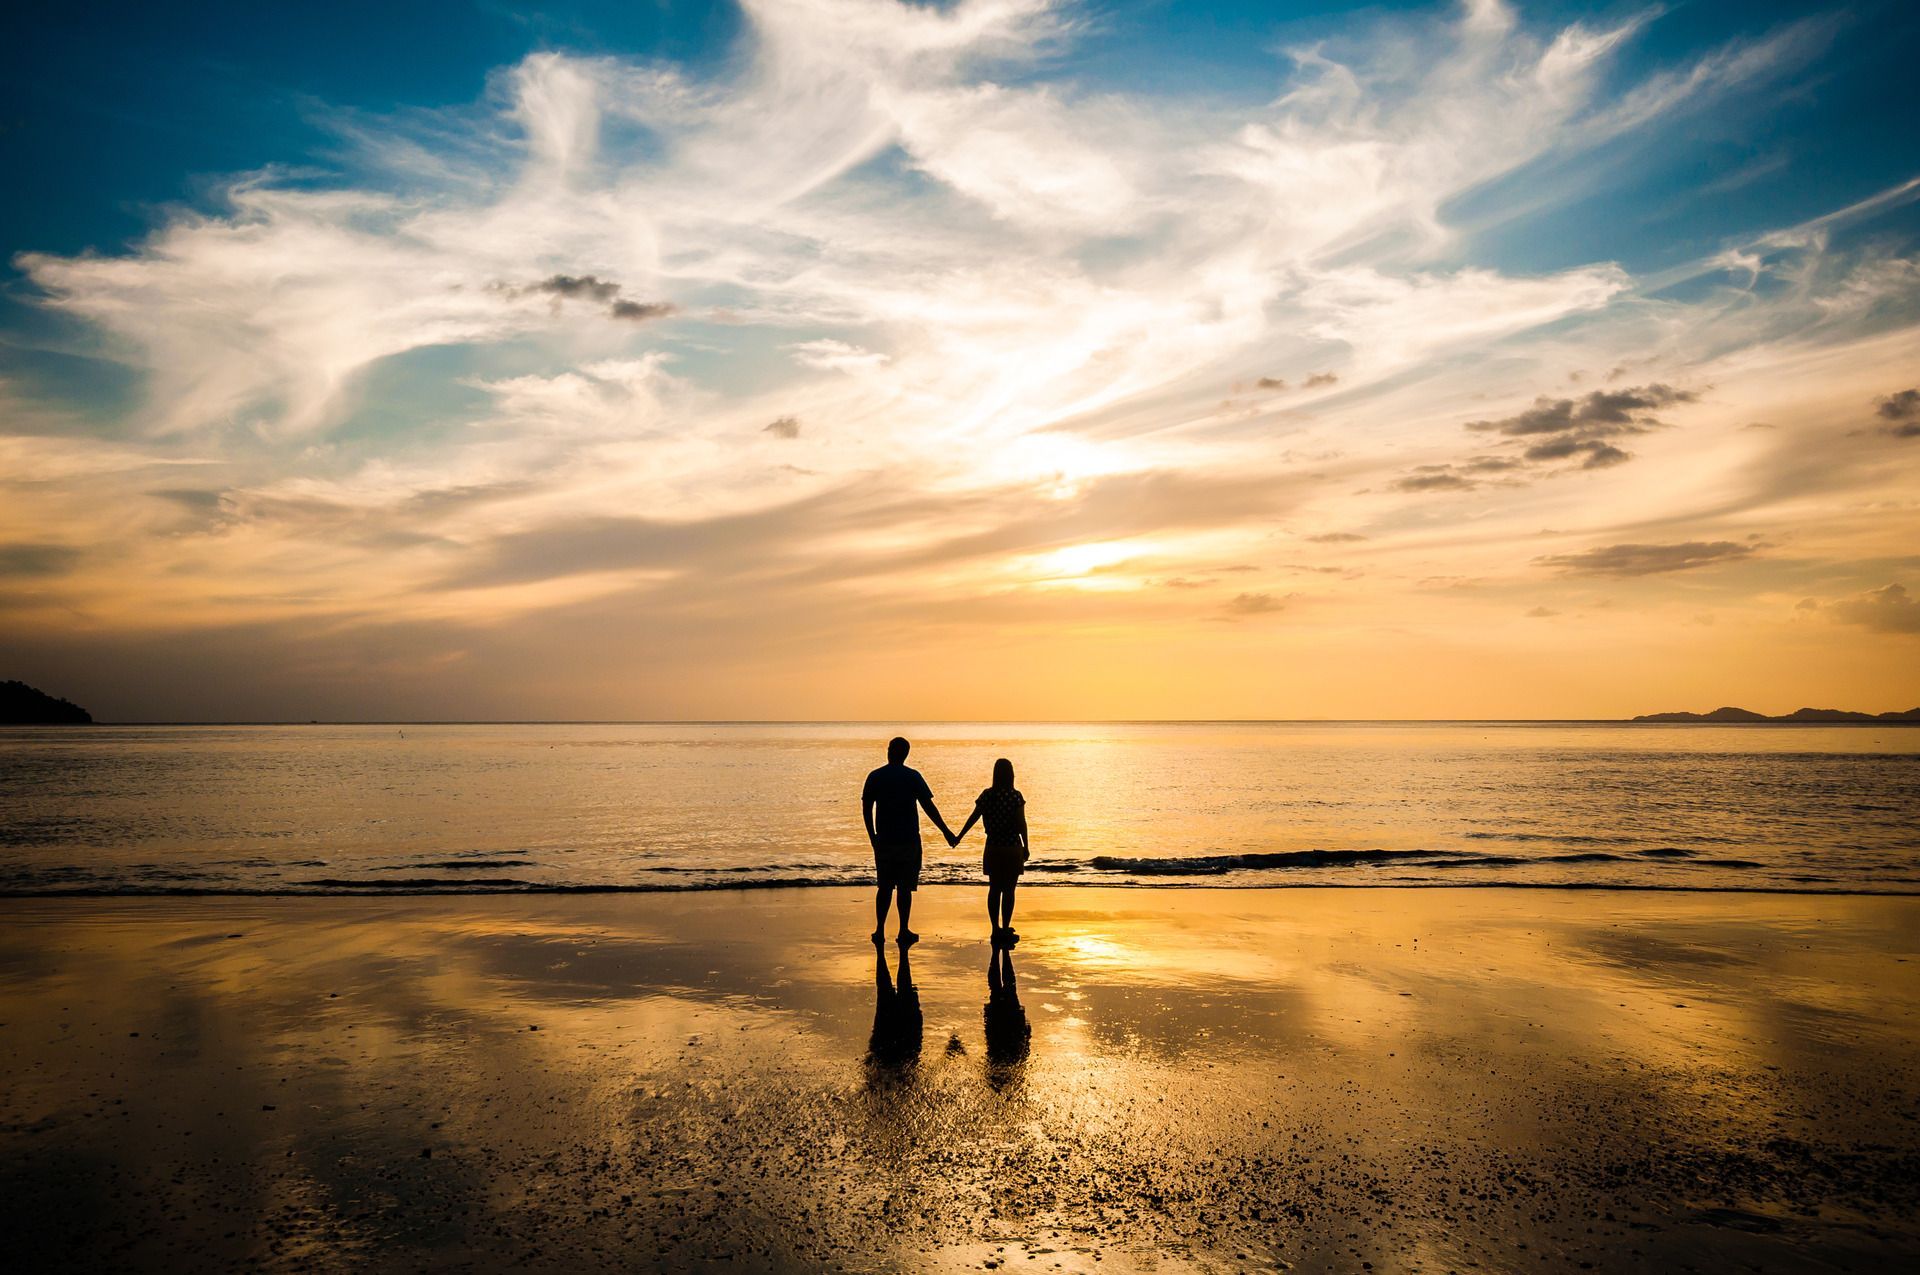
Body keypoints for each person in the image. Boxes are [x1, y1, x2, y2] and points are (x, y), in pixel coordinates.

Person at [861, 736, 956, 945]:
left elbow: (866, 810)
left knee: (884, 887)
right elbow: (928, 807)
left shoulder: (875, 776)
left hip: (884, 840)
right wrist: (946, 831)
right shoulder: (912, 776)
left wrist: (872, 837)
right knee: (904, 887)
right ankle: (903, 930)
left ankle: (879, 930)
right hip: (908, 840)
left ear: (889, 751)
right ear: (906, 754)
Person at [950, 757, 1028, 947]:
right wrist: (1026, 846)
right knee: (1009, 890)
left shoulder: (987, 795)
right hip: (1011, 847)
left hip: (993, 846)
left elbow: (973, 818)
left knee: (994, 889)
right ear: (1011, 775)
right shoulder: (1015, 796)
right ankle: (1005, 927)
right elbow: (1021, 823)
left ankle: (995, 928)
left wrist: (958, 836)